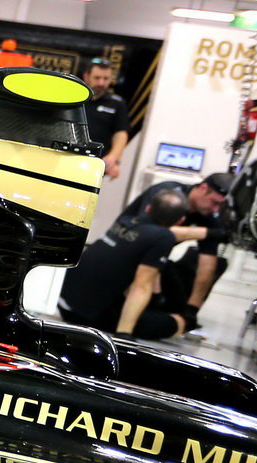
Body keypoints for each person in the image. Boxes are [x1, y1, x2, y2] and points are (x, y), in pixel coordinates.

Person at [58, 188, 192, 339]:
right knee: (178, 323)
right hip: (85, 317)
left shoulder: (126, 221)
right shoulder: (163, 237)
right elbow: (141, 287)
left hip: (63, 304)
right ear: (180, 221)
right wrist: (124, 334)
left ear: (149, 208)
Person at [119, 171, 230, 331]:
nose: (215, 209)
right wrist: (211, 233)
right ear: (203, 188)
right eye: (214, 202)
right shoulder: (166, 194)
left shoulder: (208, 215)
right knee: (158, 323)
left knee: (176, 307)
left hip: (153, 260)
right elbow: (149, 233)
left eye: (220, 206)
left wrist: (192, 309)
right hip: (127, 256)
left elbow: (207, 265)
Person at [81, 57, 130, 180]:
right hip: (68, 157)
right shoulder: (75, 98)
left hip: (95, 165)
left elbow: (121, 133)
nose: (101, 83)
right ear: (87, 77)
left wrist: (114, 158)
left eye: (106, 79)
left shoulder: (117, 103)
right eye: (97, 78)